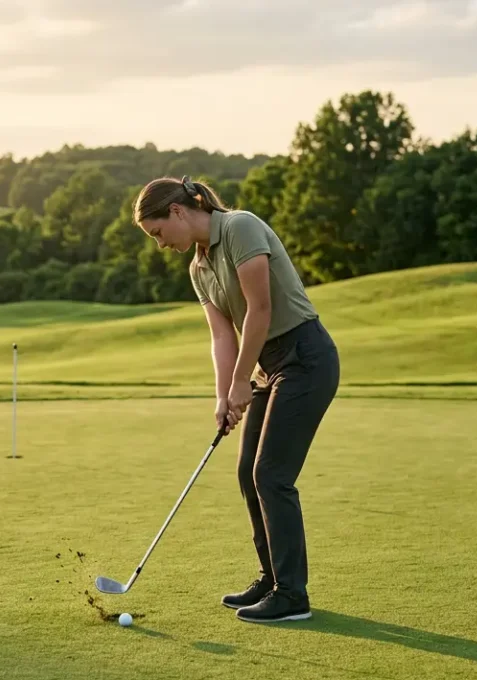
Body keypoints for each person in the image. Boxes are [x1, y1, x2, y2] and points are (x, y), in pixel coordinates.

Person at [132, 175, 340, 623]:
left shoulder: (240, 227)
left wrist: (243, 380)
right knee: (249, 471)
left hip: (305, 356)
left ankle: (292, 596)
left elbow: (260, 309)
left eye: (158, 233)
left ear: (177, 211)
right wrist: (224, 394)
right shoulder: (198, 268)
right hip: (267, 363)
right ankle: (271, 578)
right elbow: (222, 335)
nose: (160, 244)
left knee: (272, 474)